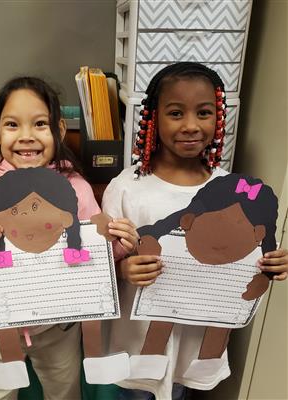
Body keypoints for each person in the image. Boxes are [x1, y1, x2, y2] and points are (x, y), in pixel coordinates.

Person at [101, 62, 288, 400]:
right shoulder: (126, 188)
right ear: (153, 118)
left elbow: (254, 250)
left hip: (196, 345)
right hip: (138, 344)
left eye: (203, 113)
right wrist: (123, 269)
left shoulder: (230, 189)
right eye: (175, 113)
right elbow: (101, 267)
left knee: (184, 392)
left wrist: (271, 263)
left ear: (217, 118)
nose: (191, 126)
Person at [0, 76, 138, 400]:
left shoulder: (75, 186)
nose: (27, 136)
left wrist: (120, 242)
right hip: (0, 320)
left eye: (40, 124)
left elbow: (96, 249)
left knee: (64, 389)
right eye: (13, 125)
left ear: (59, 130)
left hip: (60, 322)